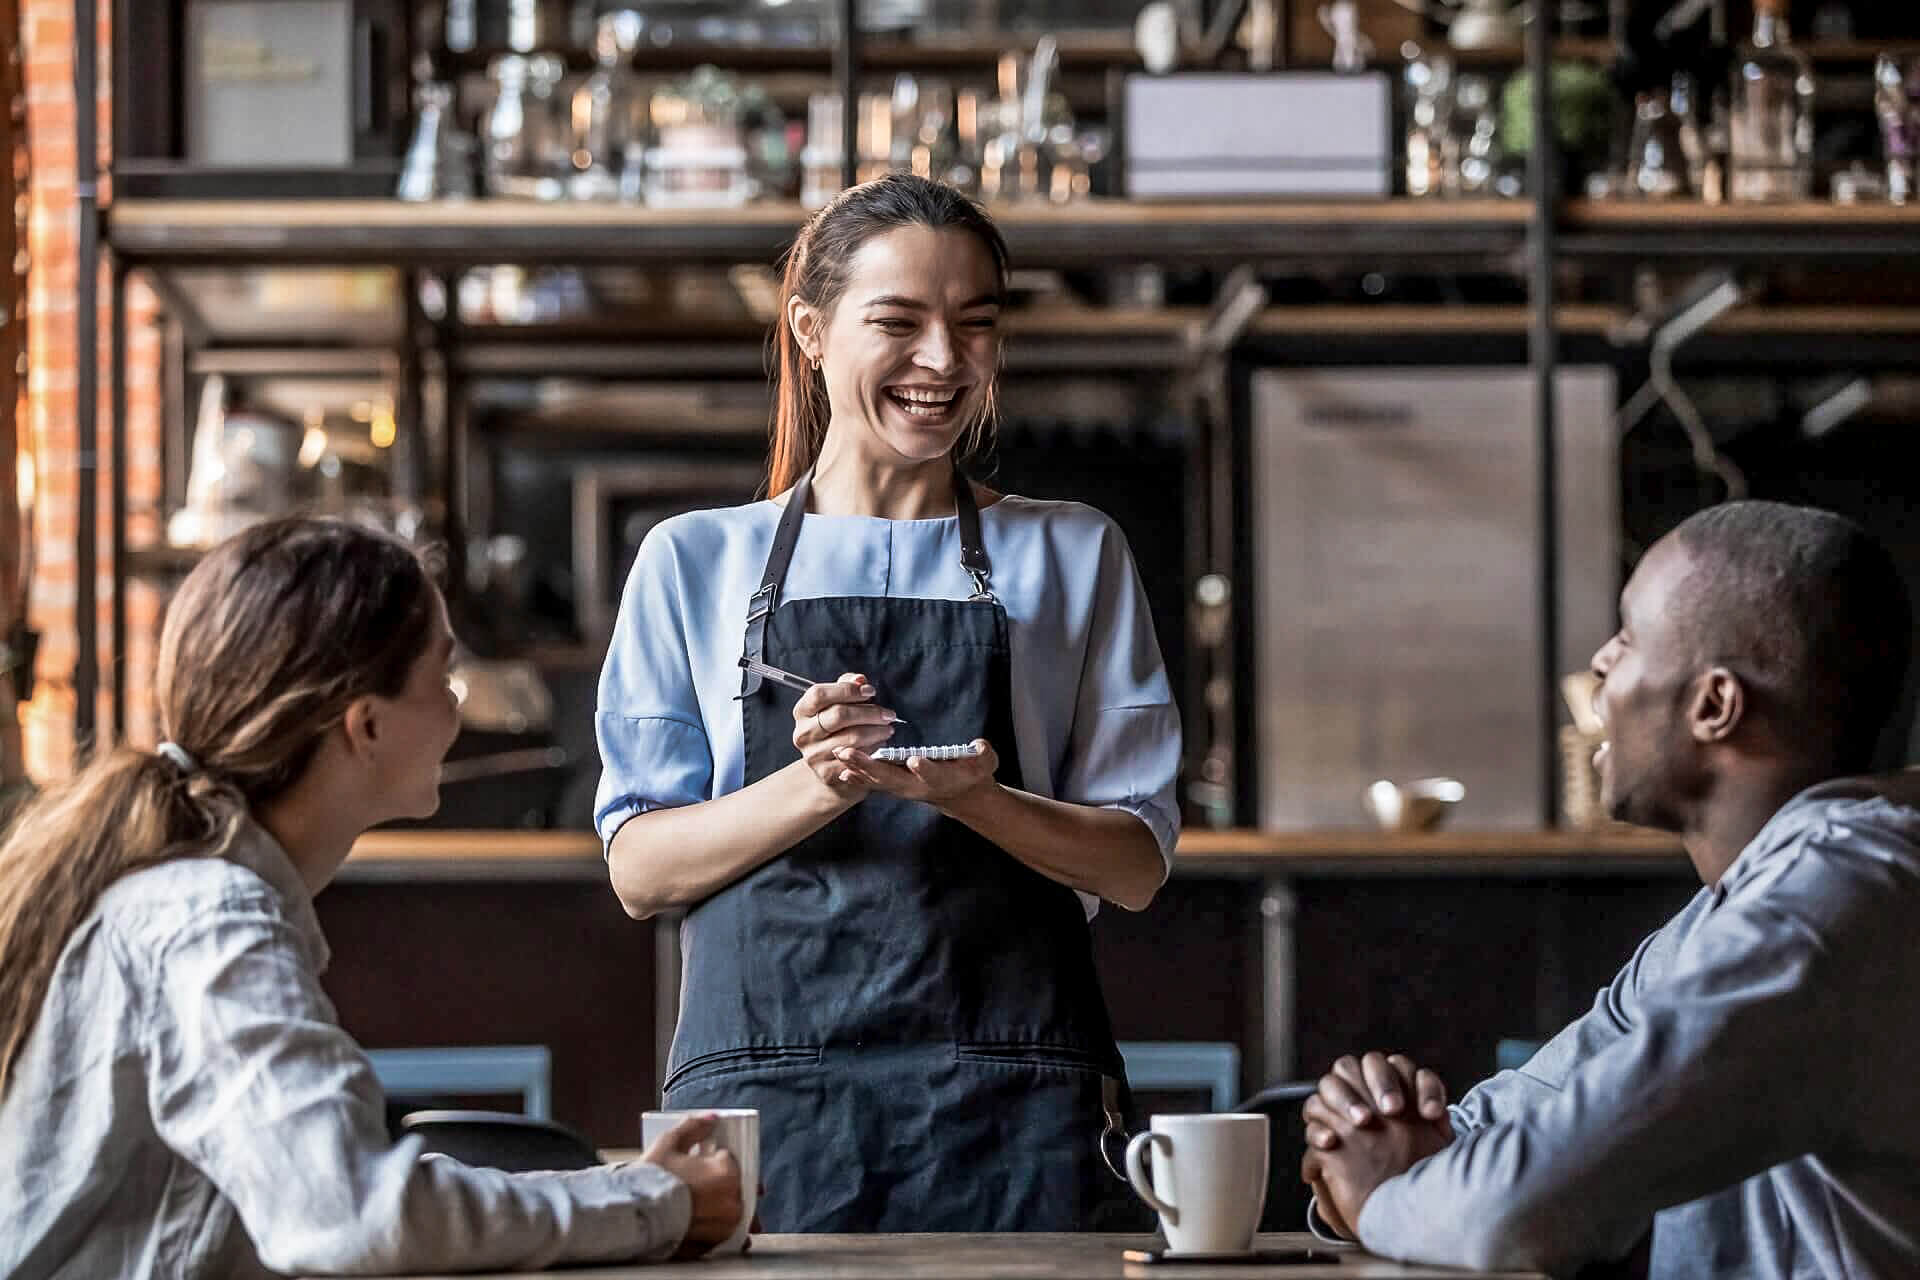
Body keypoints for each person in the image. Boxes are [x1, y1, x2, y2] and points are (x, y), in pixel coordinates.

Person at [595, 173, 1182, 1232]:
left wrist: (977, 799)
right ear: (813, 332)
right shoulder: (694, 559)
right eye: (900, 323)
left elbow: (1136, 864)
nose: (944, 362)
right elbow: (641, 870)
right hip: (766, 1101)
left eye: (975, 325)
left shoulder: (1073, 550)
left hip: (1021, 1097)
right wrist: (819, 782)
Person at [0, 517, 743, 1279]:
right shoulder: (210, 922)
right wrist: (654, 1206)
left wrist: (630, 1191)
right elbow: (358, 1215)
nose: (457, 712)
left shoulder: (193, 898)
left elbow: (341, 1196)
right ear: (367, 725)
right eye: (441, 679)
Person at [1299, 500, 1920, 1278]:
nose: (1599, 662)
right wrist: (1366, 1143)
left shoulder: (1831, 909)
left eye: (1627, 639)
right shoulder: (1720, 922)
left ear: (1714, 706)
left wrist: (1385, 1199)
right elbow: (1520, 1133)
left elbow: (1518, 1210)